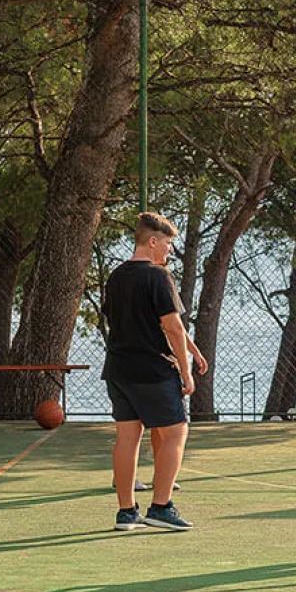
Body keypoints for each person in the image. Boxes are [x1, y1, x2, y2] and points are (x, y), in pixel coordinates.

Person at [102, 212, 208, 532]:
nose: (170, 250)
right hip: (153, 370)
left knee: (127, 438)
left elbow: (143, 320)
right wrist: (186, 373)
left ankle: (126, 513)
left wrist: (194, 350)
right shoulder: (158, 276)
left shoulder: (116, 277)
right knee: (176, 432)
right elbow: (172, 327)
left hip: (119, 370)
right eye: (168, 243)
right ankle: (161, 507)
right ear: (152, 241)